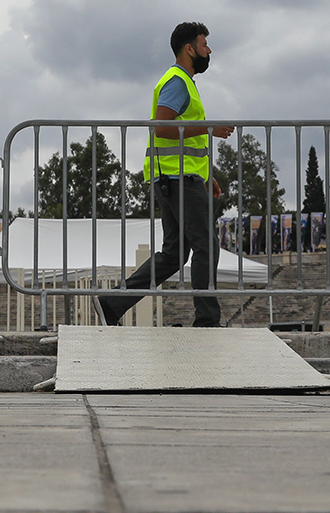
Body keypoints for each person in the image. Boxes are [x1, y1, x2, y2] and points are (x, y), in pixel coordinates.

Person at [93, 21, 234, 327]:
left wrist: (207, 175)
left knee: (173, 255)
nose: (209, 50)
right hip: (178, 180)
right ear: (189, 48)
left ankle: (112, 303)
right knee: (206, 246)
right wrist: (209, 128)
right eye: (205, 44)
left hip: (176, 178)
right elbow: (163, 126)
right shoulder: (177, 82)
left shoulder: (183, 82)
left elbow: (183, 137)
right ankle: (207, 322)